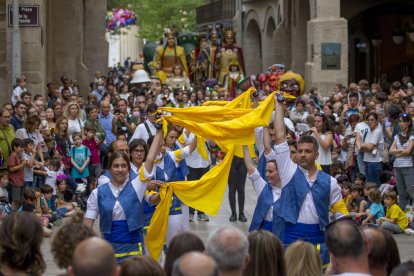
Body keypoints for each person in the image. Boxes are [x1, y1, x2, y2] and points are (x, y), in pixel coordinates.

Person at [273, 93, 348, 267]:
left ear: (316, 154)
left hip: (319, 239)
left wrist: (344, 241)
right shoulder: (287, 172)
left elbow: (341, 214)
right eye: (299, 151)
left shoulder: (330, 182)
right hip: (289, 237)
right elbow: (279, 136)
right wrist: (279, 106)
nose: (302, 155)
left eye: (307, 151)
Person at [84, 129, 162, 262]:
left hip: (134, 251)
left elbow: (149, 160)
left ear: (128, 168)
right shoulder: (98, 192)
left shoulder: (137, 186)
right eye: (116, 166)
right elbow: (87, 223)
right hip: (108, 252)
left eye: (123, 166)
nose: (120, 170)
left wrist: (159, 132)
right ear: (110, 168)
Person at [243, 144, 281, 234]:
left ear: (281, 172)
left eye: (270, 171)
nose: (267, 175)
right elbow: (250, 166)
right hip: (262, 231)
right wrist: (244, 143)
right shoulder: (262, 186)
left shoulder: (289, 190)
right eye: (266, 171)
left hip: (281, 232)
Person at [389, 113, 414, 210]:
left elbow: (408, 151)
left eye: (404, 121)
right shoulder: (397, 136)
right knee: (402, 193)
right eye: (400, 121)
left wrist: (397, 154)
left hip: (409, 167)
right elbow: (391, 151)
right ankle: (403, 216)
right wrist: (400, 151)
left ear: (408, 122)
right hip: (397, 167)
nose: (401, 123)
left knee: (412, 193)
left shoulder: (412, 135)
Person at [355, 112, 384, 186]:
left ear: (377, 120)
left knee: (374, 185)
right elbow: (362, 147)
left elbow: (370, 147)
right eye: (368, 120)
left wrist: (362, 145)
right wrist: (364, 146)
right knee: (368, 183)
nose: (370, 122)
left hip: (375, 161)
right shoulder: (368, 131)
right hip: (367, 160)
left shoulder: (377, 131)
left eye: (372, 120)